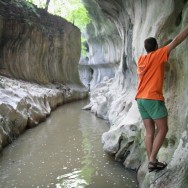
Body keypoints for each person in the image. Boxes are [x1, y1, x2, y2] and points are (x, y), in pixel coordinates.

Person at [135, 26, 188, 172]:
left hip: (140, 99)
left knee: (150, 131)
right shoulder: (159, 54)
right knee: (163, 129)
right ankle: (152, 160)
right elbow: (176, 41)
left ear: (146, 49)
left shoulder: (141, 59)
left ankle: (151, 160)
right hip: (152, 97)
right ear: (157, 46)